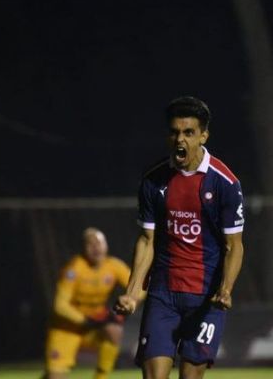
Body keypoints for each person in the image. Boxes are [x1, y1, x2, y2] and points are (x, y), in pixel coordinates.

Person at [114, 96, 245, 379]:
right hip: (163, 296)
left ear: (203, 136)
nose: (179, 140)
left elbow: (233, 245)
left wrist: (226, 289)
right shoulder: (153, 180)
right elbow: (146, 240)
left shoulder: (224, 183)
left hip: (205, 299)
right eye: (174, 132)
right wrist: (132, 292)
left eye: (188, 133)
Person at [45, 227, 131, 379]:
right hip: (67, 327)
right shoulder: (74, 269)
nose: (96, 247)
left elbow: (138, 287)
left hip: (93, 326)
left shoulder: (113, 266)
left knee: (114, 330)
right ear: (83, 248)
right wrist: (85, 320)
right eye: (90, 244)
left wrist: (131, 300)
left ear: (106, 246)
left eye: (99, 243)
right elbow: (60, 306)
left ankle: (101, 377)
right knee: (55, 376)